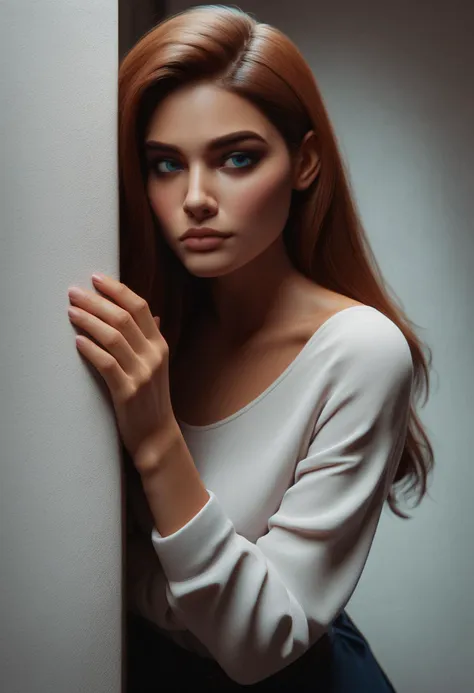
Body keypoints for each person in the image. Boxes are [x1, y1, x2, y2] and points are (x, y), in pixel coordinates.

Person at [116, 5, 434, 691]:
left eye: (236, 158)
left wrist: (154, 436)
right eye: (166, 164)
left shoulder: (360, 351)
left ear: (305, 161)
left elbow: (260, 643)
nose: (195, 198)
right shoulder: (156, 323)